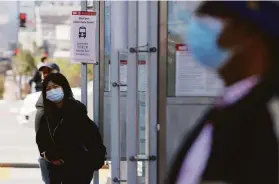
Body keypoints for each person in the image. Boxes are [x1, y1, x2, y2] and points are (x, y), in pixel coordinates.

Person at [166, 1, 279, 184]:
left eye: (212, 24)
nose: (196, 34)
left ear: (250, 36)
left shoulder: (265, 116)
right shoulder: (226, 109)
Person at [36, 73, 96, 184]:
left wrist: (92, 161)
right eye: (48, 89)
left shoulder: (77, 110)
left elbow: (91, 138)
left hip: (78, 169)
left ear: (64, 87)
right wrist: (49, 155)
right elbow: (42, 140)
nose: (52, 91)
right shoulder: (45, 114)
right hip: (54, 169)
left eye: (55, 87)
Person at [35, 62, 60, 184]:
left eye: (48, 72)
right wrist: (46, 153)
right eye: (43, 73)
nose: (45, 75)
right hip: (50, 157)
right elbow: (41, 128)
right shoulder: (46, 95)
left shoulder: (58, 94)